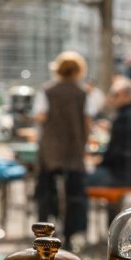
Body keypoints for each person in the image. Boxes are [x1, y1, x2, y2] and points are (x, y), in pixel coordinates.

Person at [34, 51, 91, 249]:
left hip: (51, 147)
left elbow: (41, 116)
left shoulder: (48, 90)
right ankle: (69, 235)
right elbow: (86, 121)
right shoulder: (82, 92)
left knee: (45, 191)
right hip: (73, 146)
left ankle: (42, 231)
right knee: (74, 193)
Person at [89, 78, 131, 188]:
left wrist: (98, 162)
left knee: (82, 180)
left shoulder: (123, 118)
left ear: (128, 96)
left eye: (115, 95)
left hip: (124, 177)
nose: (111, 98)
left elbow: (113, 154)